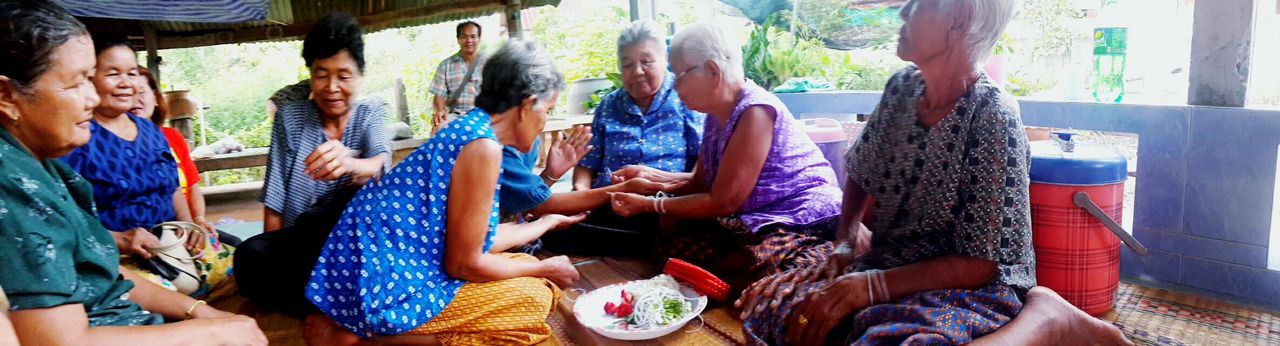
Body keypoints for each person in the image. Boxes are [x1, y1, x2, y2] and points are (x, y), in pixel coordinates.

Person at [733, 1, 1132, 345]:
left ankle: (1045, 322)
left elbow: (979, 265)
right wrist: (844, 240)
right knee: (783, 309)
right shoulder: (902, 89)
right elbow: (860, 171)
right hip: (893, 262)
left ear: (957, 18)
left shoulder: (992, 115)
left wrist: (870, 288)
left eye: (917, 3)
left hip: (974, 285)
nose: (903, 10)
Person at [0, 2, 265, 344]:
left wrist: (195, 312)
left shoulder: (42, 165)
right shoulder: (14, 187)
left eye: (90, 80)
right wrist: (208, 332)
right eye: (77, 84)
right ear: (7, 96)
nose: (91, 99)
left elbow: (102, 272)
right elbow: (61, 341)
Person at [304, 40, 581, 346]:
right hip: (383, 284)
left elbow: (478, 239)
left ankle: (360, 329)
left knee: (527, 271)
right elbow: (463, 264)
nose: (545, 122)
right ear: (527, 106)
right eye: (548, 110)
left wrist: (545, 223)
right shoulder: (483, 147)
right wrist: (544, 266)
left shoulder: (473, 131)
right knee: (532, 297)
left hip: (373, 270)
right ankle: (366, 338)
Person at [607, 22, 844, 295]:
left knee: (758, 266)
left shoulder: (755, 110)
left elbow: (724, 200)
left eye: (679, 74)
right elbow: (701, 183)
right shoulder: (715, 114)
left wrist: (651, 205)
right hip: (753, 220)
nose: (674, 84)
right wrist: (649, 177)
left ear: (712, 71)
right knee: (669, 245)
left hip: (797, 217)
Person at [233, 13, 393, 317]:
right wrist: (273, 249)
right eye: (321, 74)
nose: (332, 87)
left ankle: (325, 296)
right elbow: (275, 198)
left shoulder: (372, 112)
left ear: (360, 76)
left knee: (353, 198)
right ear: (310, 74)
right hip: (303, 247)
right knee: (249, 255)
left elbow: (382, 162)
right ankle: (335, 298)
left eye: (343, 76)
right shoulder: (290, 118)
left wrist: (351, 164)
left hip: (351, 242)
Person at [61, 32, 236, 300]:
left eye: (131, 73)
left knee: (242, 266)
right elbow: (68, 215)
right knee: (167, 294)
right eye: (112, 74)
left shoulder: (151, 132)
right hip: (118, 253)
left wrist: (189, 227)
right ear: (89, 77)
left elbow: (172, 189)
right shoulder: (77, 136)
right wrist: (118, 239)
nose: (125, 83)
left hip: (169, 242)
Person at [537, 19, 706, 256]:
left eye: (646, 62)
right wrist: (580, 198)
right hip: (609, 205)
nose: (636, 71)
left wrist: (678, 189)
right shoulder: (608, 106)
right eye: (627, 64)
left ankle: (645, 245)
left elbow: (702, 162)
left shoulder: (685, 98)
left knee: (682, 236)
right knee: (550, 230)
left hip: (664, 205)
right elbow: (587, 165)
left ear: (665, 59)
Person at [133, 67, 239, 246]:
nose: (135, 99)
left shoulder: (172, 137)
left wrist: (198, 220)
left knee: (240, 248)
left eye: (141, 91)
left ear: (156, 98)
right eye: (128, 93)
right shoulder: (117, 147)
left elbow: (192, 186)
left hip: (188, 226)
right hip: (157, 233)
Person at [430, 21, 485, 129]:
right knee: (439, 127)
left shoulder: (491, 64)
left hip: (483, 114)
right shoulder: (445, 65)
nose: (469, 41)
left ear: (479, 39)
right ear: (458, 39)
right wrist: (440, 111)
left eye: (473, 37)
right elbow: (439, 95)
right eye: (464, 37)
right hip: (456, 116)